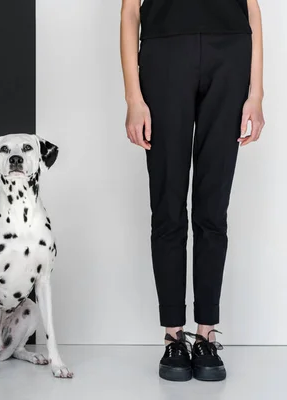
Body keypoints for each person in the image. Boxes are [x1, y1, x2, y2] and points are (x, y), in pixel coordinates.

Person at [120, 0, 265, 382]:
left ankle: (206, 334)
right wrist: (133, 98)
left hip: (230, 51)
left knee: (212, 206)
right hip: (164, 52)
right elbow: (130, 11)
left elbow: (252, 8)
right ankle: (173, 335)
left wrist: (257, 94)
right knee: (168, 202)